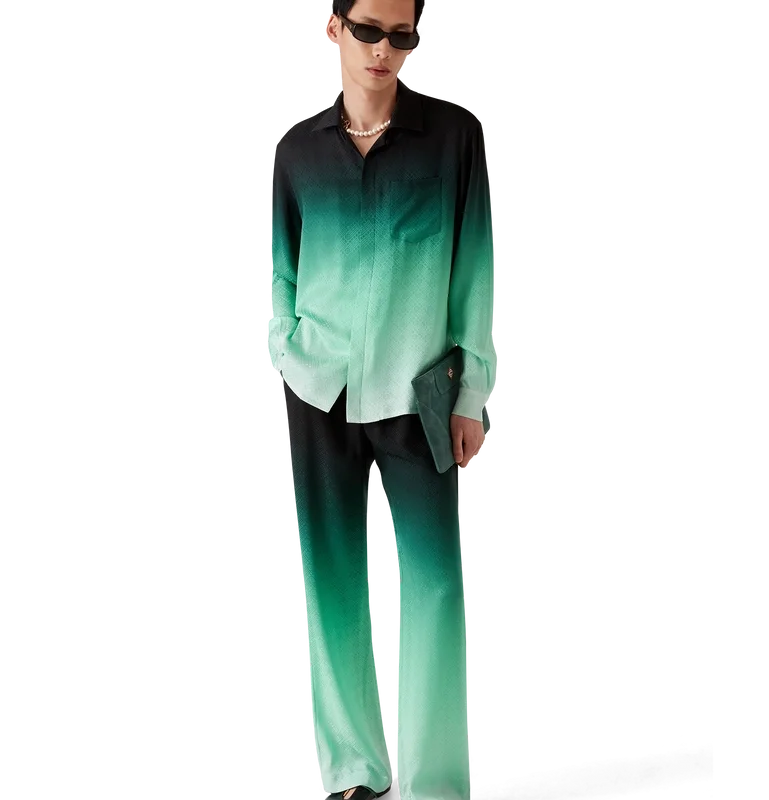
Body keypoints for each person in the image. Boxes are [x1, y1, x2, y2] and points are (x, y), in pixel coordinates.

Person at [266, 0, 497, 797]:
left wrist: (473, 393)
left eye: (402, 35)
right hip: (319, 388)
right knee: (332, 578)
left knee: (433, 585)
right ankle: (351, 770)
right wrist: (286, 352)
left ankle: (434, 781)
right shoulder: (300, 149)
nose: (383, 50)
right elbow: (280, 268)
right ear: (332, 29)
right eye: (368, 29)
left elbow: (474, 269)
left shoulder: (453, 137)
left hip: (421, 386)